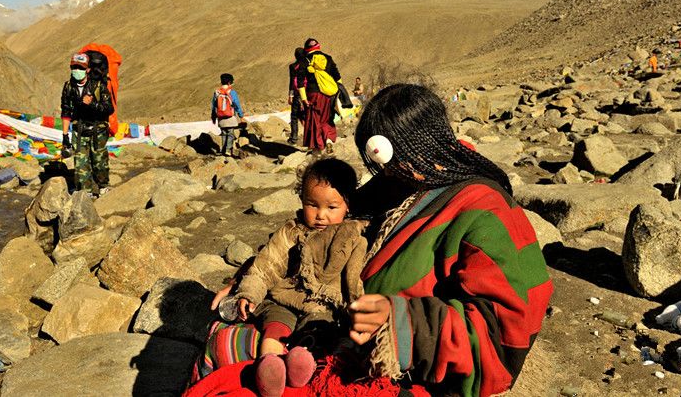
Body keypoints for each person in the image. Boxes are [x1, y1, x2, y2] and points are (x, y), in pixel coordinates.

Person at [195, 84, 552, 396]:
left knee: (229, 378)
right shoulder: (402, 182)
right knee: (221, 342)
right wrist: (248, 278)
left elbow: (504, 334)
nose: (384, 173)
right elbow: (313, 231)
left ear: (414, 147)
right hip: (332, 322)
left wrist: (400, 322)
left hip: (403, 371)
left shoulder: (485, 210)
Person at [233, 158, 366, 396]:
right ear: (301, 200)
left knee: (317, 332)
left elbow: (354, 281)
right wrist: (249, 293)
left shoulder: (352, 238)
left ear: (348, 206)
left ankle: (300, 364)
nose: (320, 216)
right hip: (285, 296)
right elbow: (267, 264)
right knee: (275, 322)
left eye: (331, 208)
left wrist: (358, 312)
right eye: (312, 204)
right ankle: (270, 365)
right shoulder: (291, 232)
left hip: (323, 305)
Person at [60, 52, 114, 196]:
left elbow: (109, 108)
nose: (77, 70)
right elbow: (66, 111)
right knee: (80, 165)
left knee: (99, 161)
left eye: (81, 67)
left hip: (98, 130)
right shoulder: (68, 87)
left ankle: (103, 185)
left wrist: (93, 105)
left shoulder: (98, 86)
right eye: (74, 67)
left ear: (88, 69)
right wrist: (65, 136)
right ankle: (85, 193)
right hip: (79, 130)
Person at [296, 38, 341, 155]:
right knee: (327, 118)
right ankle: (329, 139)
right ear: (318, 47)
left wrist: (304, 98)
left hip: (313, 94)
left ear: (306, 49)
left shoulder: (304, 61)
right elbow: (337, 77)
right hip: (328, 94)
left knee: (315, 120)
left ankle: (318, 148)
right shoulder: (328, 58)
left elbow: (300, 82)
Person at [211, 73, 245, 157]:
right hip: (230, 116)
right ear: (229, 82)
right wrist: (241, 115)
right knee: (230, 134)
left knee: (223, 133)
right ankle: (228, 150)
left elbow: (213, 105)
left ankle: (223, 149)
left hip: (221, 117)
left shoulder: (217, 92)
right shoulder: (232, 92)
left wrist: (214, 117)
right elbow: (237, 105)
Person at [287, 47, 306, 145]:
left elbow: (291, 82)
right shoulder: (308, 65)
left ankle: (294, 137)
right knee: (307, 115)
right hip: (307, 93)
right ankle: (309, 137)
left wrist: (290, 96)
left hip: (296, 93)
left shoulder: (293, 66)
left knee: (294, 116)